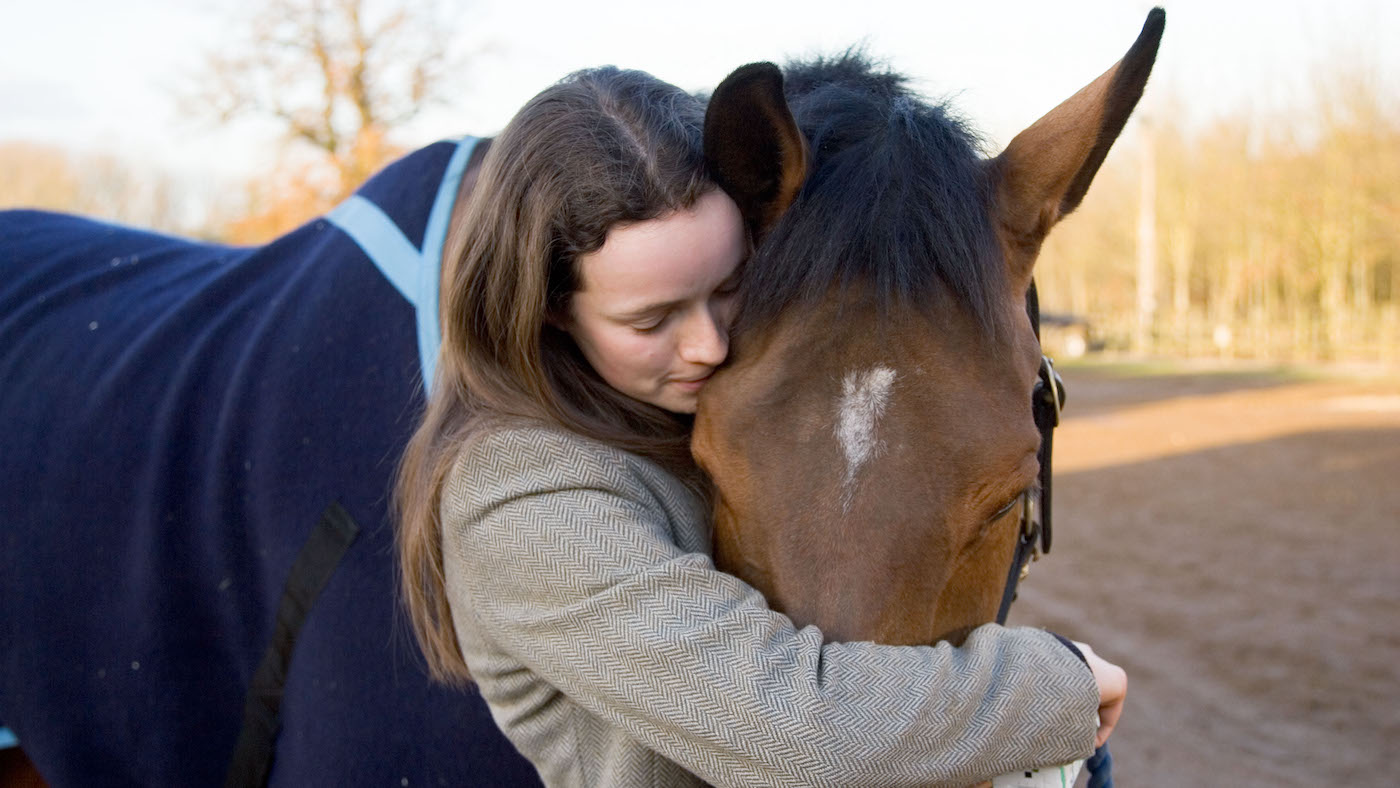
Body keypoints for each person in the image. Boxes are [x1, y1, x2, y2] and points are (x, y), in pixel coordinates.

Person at [396, 65, 1126, 787]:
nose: (709, 345)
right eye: (650, 320)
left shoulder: (700, 394)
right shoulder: (517, 499)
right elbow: (796, 727)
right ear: (553, 309)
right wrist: (1055, 688)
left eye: (729, 286)